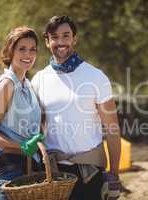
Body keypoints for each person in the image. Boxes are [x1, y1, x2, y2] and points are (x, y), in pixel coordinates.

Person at [31, 16, 121, 200]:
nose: (61, 42)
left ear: (74, 39)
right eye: (55, 37)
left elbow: (112, 129)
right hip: (52, 173)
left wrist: (114, 174)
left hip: (88, 172)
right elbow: (37, 128)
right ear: (47, 42)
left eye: (66, 36)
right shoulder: (39, 79)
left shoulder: (95, 77)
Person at [0, 26, 45, 200]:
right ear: (11, 51)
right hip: (9, 169)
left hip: (30, 167)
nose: (28, 54)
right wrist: (22, 146)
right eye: (22, 49)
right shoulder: (7, 84)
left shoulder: (28, 85)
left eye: (33, 49)